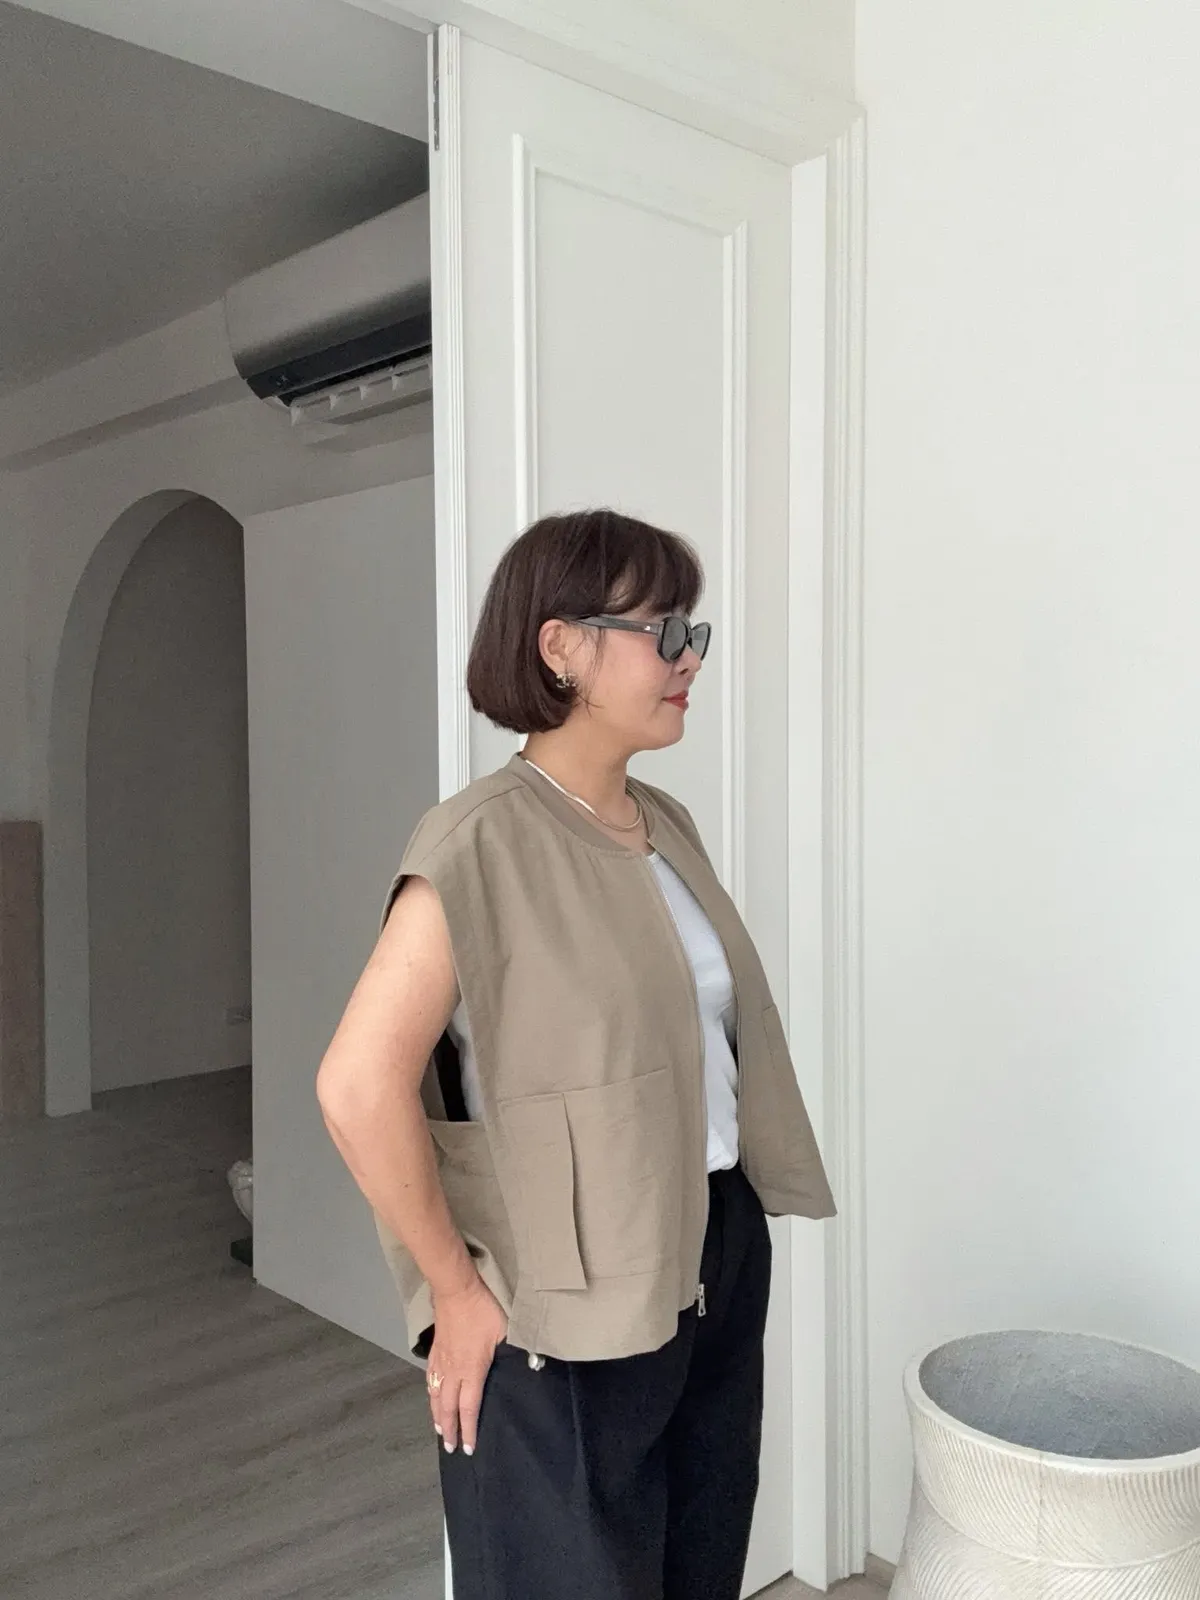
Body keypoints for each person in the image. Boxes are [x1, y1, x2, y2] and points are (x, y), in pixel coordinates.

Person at [317, 508, 836, 1600]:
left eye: (694, 631)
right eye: (663, 631)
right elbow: (358, 1086)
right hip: (558, 1297)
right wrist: (455, 1292)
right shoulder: (479, 840)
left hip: (712, 1240)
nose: (689, 658)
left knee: (698, 1552)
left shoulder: (663, 823)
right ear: (561, 647)